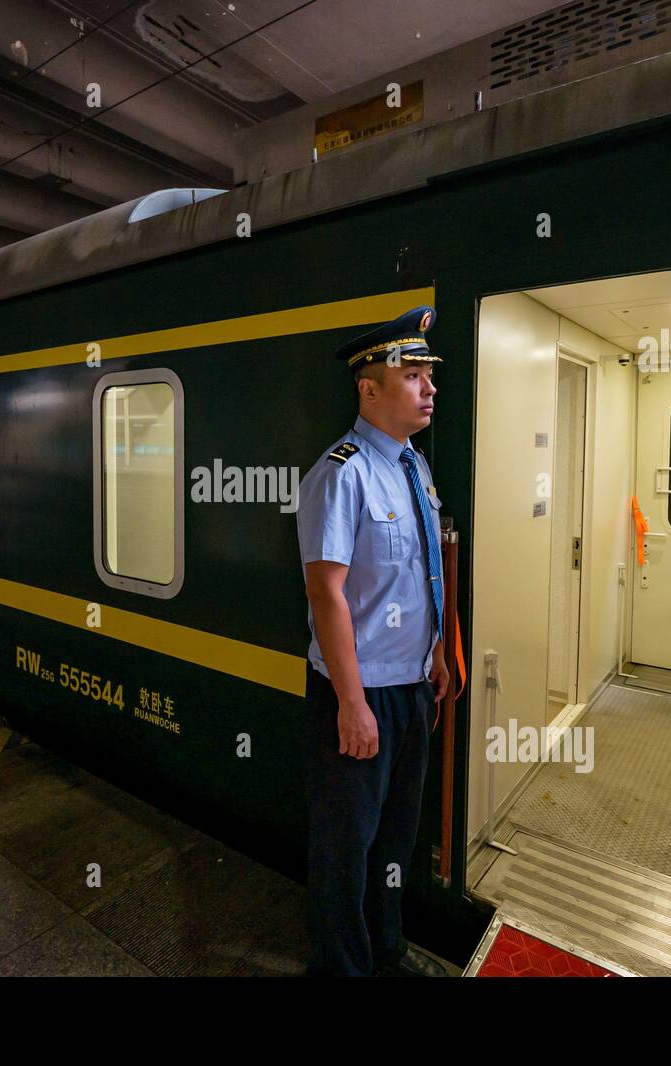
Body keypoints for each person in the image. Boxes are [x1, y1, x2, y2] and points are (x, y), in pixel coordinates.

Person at [294, 304, 449, 977]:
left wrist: (438, 651)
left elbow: (423, 572)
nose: (428, 387)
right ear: (369, 388)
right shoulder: (342, 472)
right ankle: (341, 968)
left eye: (428, 376)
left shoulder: (414, 467)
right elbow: (326, 594)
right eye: (412, 375)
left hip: (413, 684)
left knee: (395, 841)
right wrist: (351, 705)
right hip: (358, 693)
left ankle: (385, 951)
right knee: (344, 849)